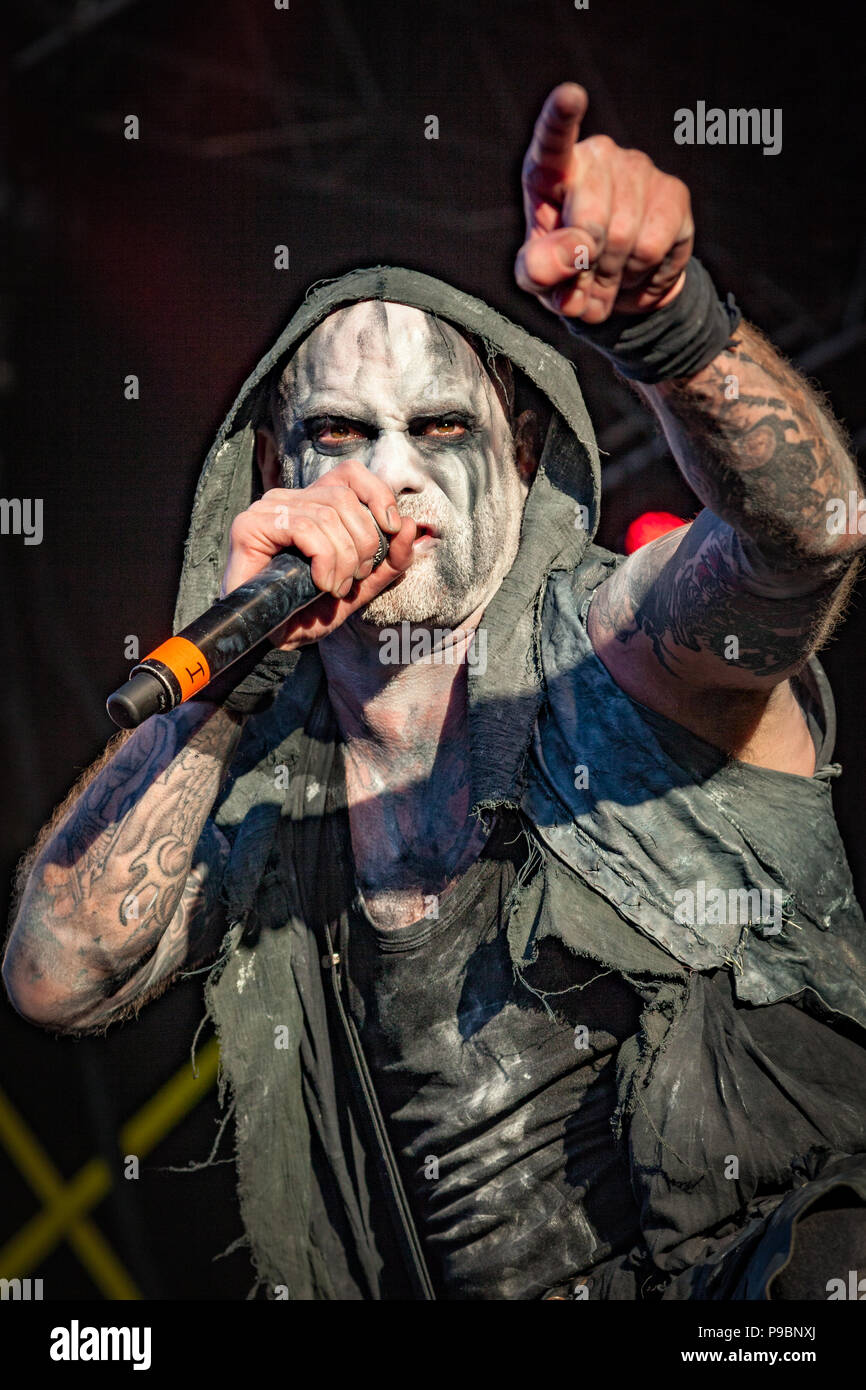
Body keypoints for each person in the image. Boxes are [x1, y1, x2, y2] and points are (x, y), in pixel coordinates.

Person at [5, 83, 866, 1301]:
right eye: (344, 432)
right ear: (278, 467)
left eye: (442, 428)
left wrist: (675, 329)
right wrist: (229, 689)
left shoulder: (612, 647)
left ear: (520, 461)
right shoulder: (270, 782)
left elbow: (808, 536)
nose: (393, 473)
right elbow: (53, 973)